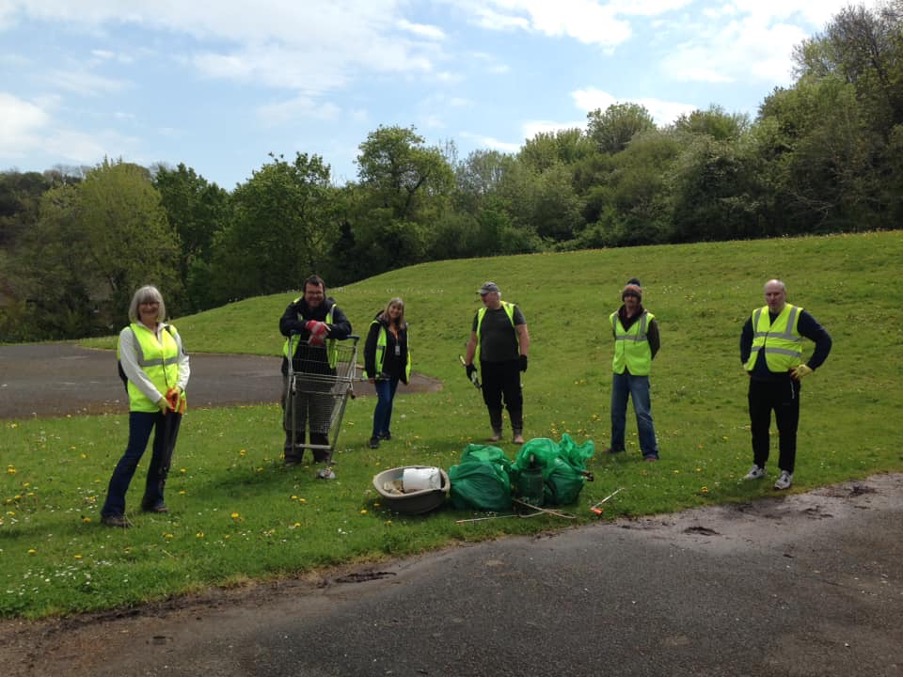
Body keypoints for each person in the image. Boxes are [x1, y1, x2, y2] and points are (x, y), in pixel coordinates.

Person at [100, 285, 190, 527]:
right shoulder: (129, 334)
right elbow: (133, 372)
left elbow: (183, 361)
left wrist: (179, 388)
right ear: (136, 308)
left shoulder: (171, 331)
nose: (150, 307)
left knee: (163, 454)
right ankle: (112, 510)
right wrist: (157, 399)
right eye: (145, 303)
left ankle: (154, 499)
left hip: (172, 403)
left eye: (154, 303)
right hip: (145, 406)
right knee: (133, 454)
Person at [740, 278, 832, 490]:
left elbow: (824, 340)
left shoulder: (797, 315)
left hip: (784, 382)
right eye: (768, 295)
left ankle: (786, 471)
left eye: (776, 294)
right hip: (758, 381)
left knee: (787, 428)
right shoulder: (757, 315)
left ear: (784, 294)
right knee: (758, 426)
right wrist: (746, 361)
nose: (772, 298)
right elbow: (745, 338)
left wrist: (810, 366)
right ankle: (758, 465)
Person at [279, 274, 353, 465]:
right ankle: (293, 457)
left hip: (323, 372)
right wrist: (308, 325)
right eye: (311, 293)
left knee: (321, 414)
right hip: (296, 371)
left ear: (324, 292)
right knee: (294, 415)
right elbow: (284, 326)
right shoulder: (295, 307)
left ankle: (321, 456)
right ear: (304, 293)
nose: (314, 296)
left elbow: (346, 328)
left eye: (318, 293)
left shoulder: (332, 309)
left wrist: (325, 329)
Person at [463, 281, 530, 444]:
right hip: (488, 363)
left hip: (510, 362)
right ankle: (497, 431)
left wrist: (523, 356)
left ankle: (517, 432)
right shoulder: (480, 314)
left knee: (513, 397)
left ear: (495, 295)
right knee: (491, 397)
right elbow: (473, 340)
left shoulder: (512, 310)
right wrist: (469, 363)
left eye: (485, 294)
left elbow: (523, 333)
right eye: (481, 295)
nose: (482, 298)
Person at [605, 278, 661, 461]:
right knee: (616, 411)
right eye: (627, 295)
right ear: (623, 298)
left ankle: (650, 452)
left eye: (633, 296)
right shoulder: (614, 318)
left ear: (638, 299)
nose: (630, 299)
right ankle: (617, 446)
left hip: (638, 373)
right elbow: (618, 339)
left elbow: (655, 344)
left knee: (642, 413)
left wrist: (643, 360)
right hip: (620, 370)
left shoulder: (648, 320)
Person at [363, 297, 411, 449]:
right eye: (393, 307)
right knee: (384, 400)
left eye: (398, 309)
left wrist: (404, 373)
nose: (395, 311)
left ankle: (385, 431)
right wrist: (370, 372)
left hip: (395, 370)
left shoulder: (402, 328)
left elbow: (404, 350)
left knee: (389, 401)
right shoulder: (377, 325)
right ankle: (375, 436)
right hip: (381, 370)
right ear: (388, 307)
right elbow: (369, 349)